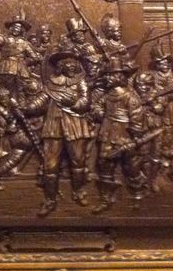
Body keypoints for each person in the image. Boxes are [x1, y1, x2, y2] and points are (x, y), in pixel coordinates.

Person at [38, 49, 93, 216]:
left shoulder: (80, 82)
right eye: (67, 63)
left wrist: (74, 103)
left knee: (78, 161)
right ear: (60, 66)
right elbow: (42, 100)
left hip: (75, 125)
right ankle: (50, 200)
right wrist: (27, 107)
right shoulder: (51, 83)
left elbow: (86, 101)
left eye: (73, 62)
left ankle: (79, 192)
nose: (71, 65)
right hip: (53, 125)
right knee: (50, 165)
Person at [92, 57, 146, 213]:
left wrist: (135, 137)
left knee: (131, 167)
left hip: (125, 136)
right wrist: (100, 113)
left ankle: (138, 195)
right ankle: (106, 199)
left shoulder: (130, 97)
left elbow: (136, 117)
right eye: (108, 74)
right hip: (107, 134)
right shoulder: (107, 96)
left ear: (119, 77)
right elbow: (97, 107)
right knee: (104, 165)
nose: (108, 78)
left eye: (111, 75)